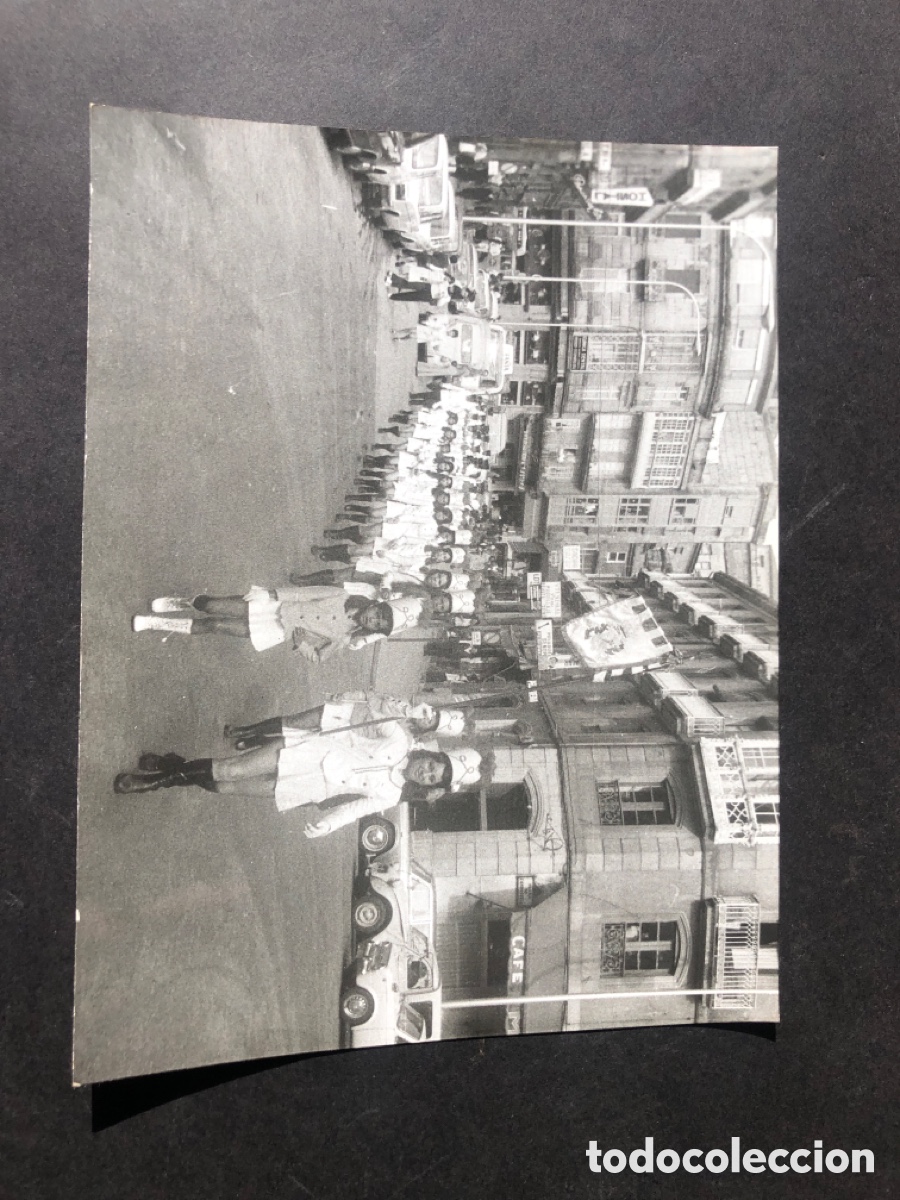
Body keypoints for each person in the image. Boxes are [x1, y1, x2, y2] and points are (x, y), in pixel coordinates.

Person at [114, 729, 487, 839]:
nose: (426, 773)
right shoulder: (399, 741)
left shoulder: (389, 795)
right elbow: (374, 713)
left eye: (432, 778)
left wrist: (326, 825)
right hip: (307, 753)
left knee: (223, 787)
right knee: (228, 770)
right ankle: (155, 781)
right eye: (432, 766)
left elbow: (351, 810)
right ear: (430, 757)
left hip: (309, 789)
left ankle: (172, 764)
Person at [132, 581, 420, 660]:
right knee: (212, 606)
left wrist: (303, 644)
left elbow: (319, 657)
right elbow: (302, 592)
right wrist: (268, 593)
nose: (373, 620)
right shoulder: (341, 594)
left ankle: (155, 623)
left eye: (379, 625)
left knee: (216, 626)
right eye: (379, 614)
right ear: (377, 605)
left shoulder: (345, 637)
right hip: (273, 606)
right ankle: (181, 603)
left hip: (275, 631)